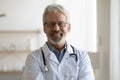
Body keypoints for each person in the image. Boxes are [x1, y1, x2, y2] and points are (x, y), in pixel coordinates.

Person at [22, 4, 95, 80]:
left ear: (68, 28)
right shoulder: (33, 58)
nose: (56, 29)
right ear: (44, 28)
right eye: (51, 24)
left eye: (61, 24)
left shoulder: (82, 57)